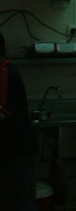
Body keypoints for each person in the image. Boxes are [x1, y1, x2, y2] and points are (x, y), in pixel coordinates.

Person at [0, 33, 38, 211]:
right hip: (13, 149)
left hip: (17, 149)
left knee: (20, 201)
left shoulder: (5, 72)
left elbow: (3, 112)